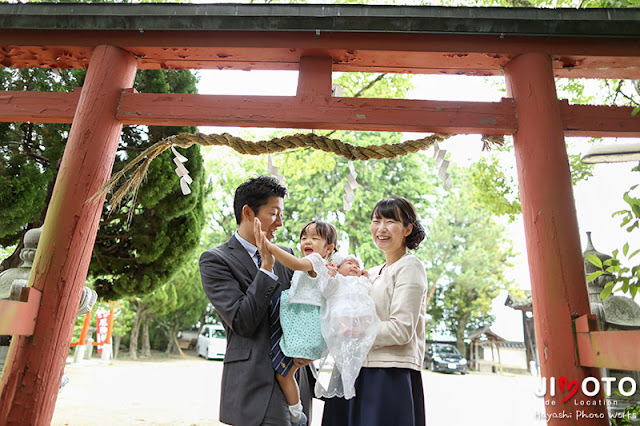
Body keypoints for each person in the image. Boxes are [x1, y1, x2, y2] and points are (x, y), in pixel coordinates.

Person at [199, 175, 314, 426]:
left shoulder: (290, 256)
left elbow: (306, 309)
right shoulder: (215, 260)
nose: (280, 223)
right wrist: (266, 269)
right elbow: (241, 321)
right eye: (274, 214)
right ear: (248, 212)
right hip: (254, 384)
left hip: (295, 378)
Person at [321, 195, 428, 426]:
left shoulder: (410, 267)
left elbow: (402, 329)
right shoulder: (370, 272)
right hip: (356, 370)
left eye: (390, 221)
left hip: (388, 375)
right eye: (376, 220)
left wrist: (356, 331)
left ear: (408, 229)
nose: (381, 228)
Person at [254, 219, 337, 423]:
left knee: (284, 374)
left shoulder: (316, 262)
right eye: (303, 237)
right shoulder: (317, 264)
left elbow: (294, 263)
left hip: (306, 325)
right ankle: (296, 413)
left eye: (314, 238)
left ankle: (296, 414)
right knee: (285, 374)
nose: (306, 241)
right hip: (303, 324)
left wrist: (269, 247)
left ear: (329, 248)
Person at [315, 252, 379, 400]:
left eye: (357, 265)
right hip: (342, 308)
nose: (354, 267)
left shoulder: (359, 281)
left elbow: (369, 287)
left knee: (368, 315)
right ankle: (344, 328)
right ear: (338, 267)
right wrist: (330, 274)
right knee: (339, 312)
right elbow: (326, 290)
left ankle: (359, 329)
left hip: (360, 309)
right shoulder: (337, 280)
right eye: (349, 263)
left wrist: (366, 277)